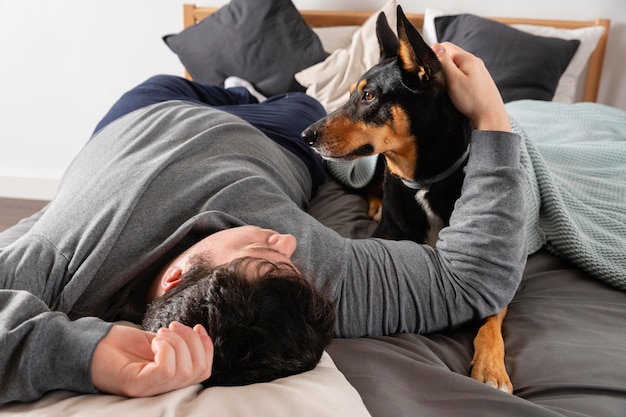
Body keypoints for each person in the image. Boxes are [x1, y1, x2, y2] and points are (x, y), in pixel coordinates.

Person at [0, 42, 526, 404]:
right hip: (274, 139)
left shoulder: (59, 260)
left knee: (165, 81)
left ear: (178, 276)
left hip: (145, 116)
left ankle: (235, 88)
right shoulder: (312, 275)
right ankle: (253, 92)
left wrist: (89, 358)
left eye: (264, 251)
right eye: (284, 257)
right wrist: (490, 115)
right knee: (301, 106)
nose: (290, 239)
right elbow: (476, 278)